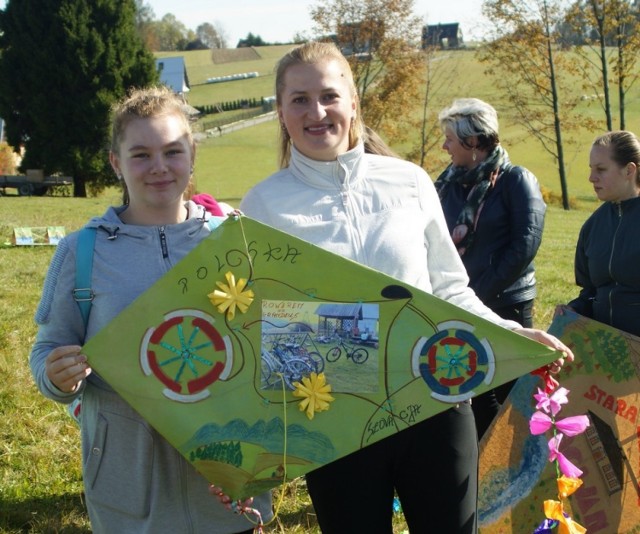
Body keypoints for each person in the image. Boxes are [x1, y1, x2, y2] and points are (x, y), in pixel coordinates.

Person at [237, 41, 572, 534]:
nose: (317, 111)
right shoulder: (263, 205)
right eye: (299, 99)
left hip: (435, 400)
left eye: (330, 95)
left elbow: (449, 289)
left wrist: (511, 333)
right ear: (281, 112)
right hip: (336, 421)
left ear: (353, 102)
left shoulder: (410, 182)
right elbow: (260, 324)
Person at [29, 85, 272, 534]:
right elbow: (47, 350)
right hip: (129, 496)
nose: (159, 167)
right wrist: (56, 376)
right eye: (140, 154)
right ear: (115, 162)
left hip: (226, 489)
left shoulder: (236, 242)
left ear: (192, 154)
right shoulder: (81, 252)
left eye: (172, 151)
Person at [435, 98, 547, 439]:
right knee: (476, 390)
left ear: (473, 141)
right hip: (464, 302)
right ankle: (485, 468)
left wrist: (479, 293)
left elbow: (525, 243)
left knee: (510, 393)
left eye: (450, 139)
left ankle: (516, 468)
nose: (444, 146)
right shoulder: (447, 183)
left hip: (506, 302)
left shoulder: (516, 180)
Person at [568, 130, 640, 336]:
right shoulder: (592, 226)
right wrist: (575, 309)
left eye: (601, 169)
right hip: (605, 353)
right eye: (591, 169)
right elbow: (591, 293)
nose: (592, 178)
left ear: (629, 170)